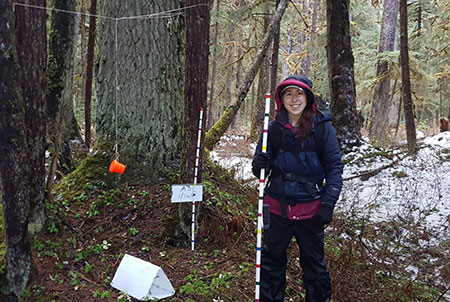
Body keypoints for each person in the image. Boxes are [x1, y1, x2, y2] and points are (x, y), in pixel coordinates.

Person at [252, 75, 344, 302]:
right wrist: (259, 164)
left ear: (308, 97)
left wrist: (328, 205)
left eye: (299, 93)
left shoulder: (323, 129)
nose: (294, 99)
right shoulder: (272, 129)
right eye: (288, 94)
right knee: (271, 266)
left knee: (314, 268)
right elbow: (260, 171)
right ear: (281, 99)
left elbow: (334, 168)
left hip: (311, 212)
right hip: (276, 211)